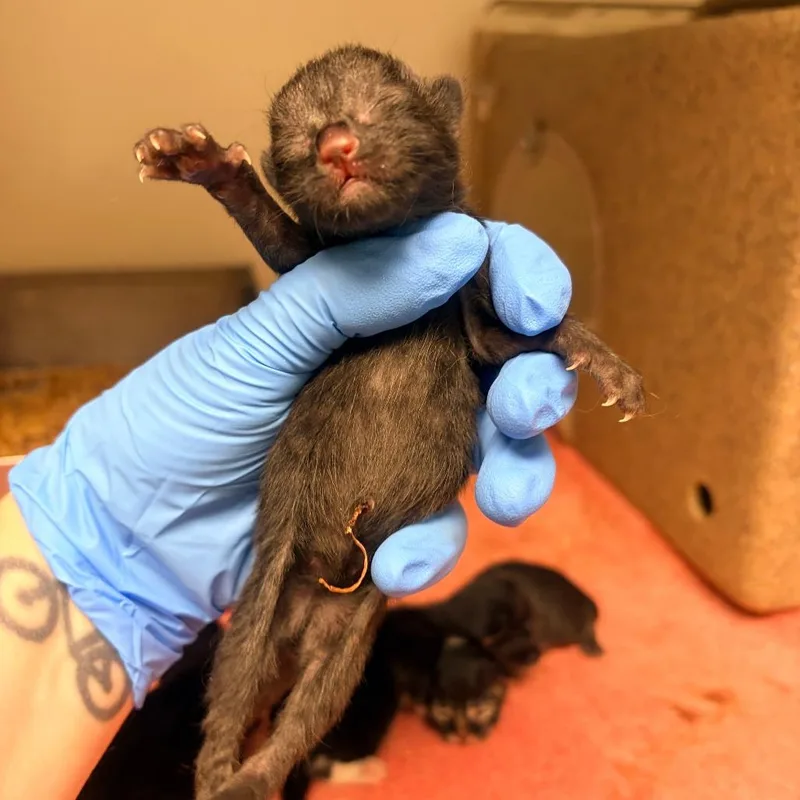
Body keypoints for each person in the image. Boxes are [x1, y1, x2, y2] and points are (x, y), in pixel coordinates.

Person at [0, 213, 577, 798]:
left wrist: (88, 545)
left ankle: (260, 767)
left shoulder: (455, 284)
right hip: (298, 524)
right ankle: (226, 765)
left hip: (352, 541)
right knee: (283, 640)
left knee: (331, 646)